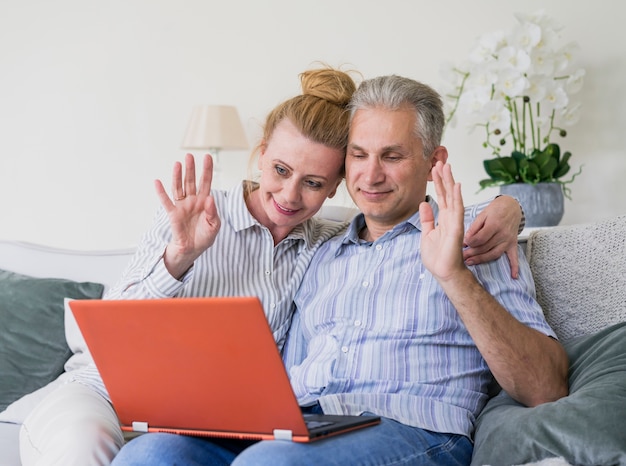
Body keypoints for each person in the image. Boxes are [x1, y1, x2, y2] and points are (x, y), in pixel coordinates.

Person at [20, 67, 524, 466]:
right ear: (261, 155)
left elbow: (412, 214)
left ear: (333, 188)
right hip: (107, 392)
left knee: (240, 457)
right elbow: (106, 336)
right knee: (120, 451)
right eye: (280, 171)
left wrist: (511, 206)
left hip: (248, 421)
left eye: (312, 182)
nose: (288, 195)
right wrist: (178, 259)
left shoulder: (333, 240)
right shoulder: (200, 217)